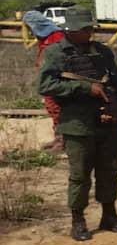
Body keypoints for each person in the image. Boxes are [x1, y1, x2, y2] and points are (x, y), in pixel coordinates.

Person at [37, 9, 117, 241]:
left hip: (107, 124)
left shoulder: (102, 53)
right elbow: (46, 86)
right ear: (70, 30)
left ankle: (109, 215)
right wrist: (84, 88)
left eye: (91, 28)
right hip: (77, 125)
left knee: (109, 171)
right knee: (80, 175)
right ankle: (78, 221)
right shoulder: (55, 53)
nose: (90, 33)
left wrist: (114, 107)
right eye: (85, 29)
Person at [24, 10, 66, 151]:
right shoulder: (46, 37)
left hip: (58, 80)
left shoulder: (56, 37)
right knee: (52, 106)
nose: (30, 32)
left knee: (57, 107)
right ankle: (58, 137)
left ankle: (63, 141)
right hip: (50, 79)